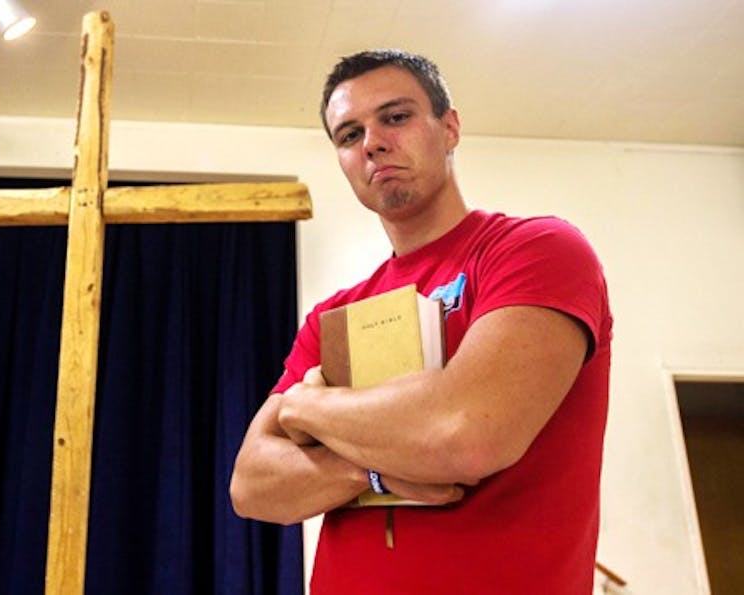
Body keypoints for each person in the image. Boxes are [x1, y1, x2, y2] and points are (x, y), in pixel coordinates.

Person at [229, 50, 612, 595]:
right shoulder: (330, 317)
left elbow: (466, 436)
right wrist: (372, 473)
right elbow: (252, 486)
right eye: (348, 134)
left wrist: (306, 407)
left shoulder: (534, 250)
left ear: (450, 127)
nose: (373, 142)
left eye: (396, 116)